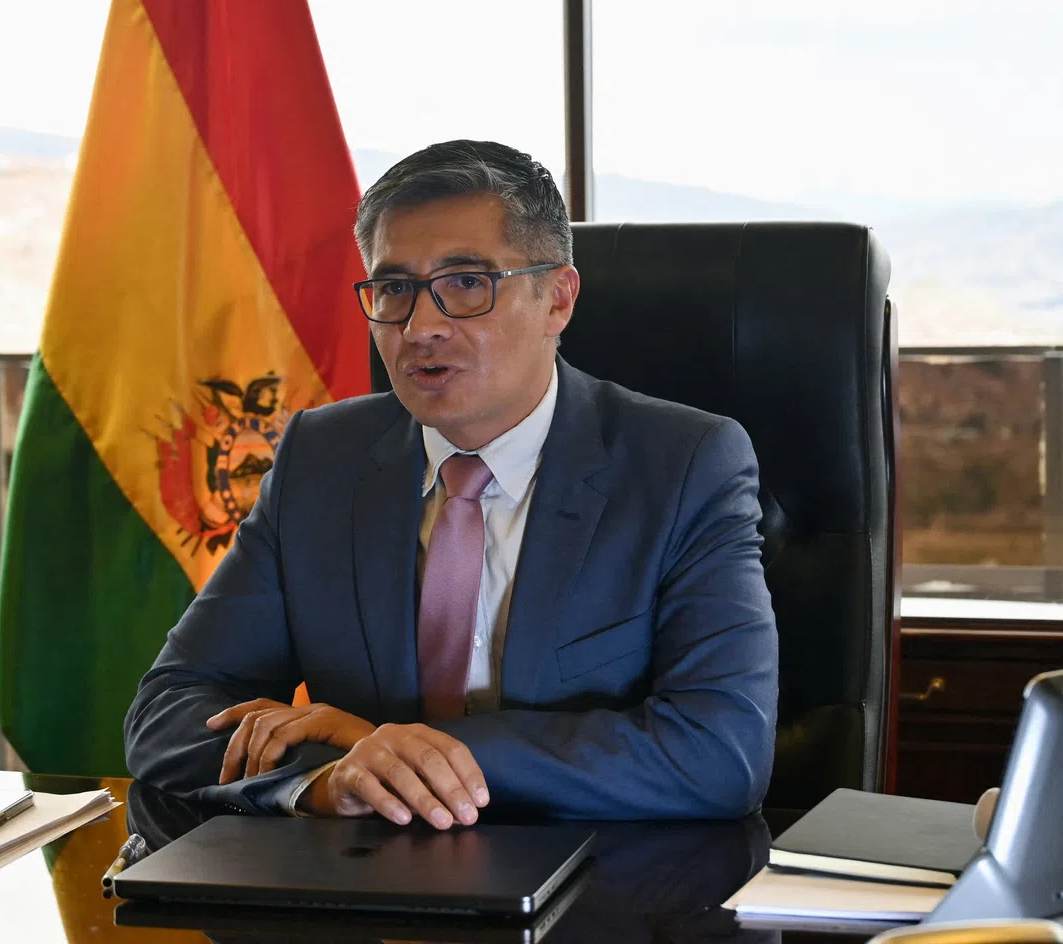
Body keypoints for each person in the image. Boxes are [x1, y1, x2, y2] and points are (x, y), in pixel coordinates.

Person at [124, 140, 779, 828]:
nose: (420, 327)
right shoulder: (321, 458)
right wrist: (325, 778)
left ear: (557, 298)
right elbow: (170, 713)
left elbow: (721, 754)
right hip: (361, 889)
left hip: (601, 892)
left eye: (467, 283)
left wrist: (388, 749)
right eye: (395, 288)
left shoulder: (684, 463)